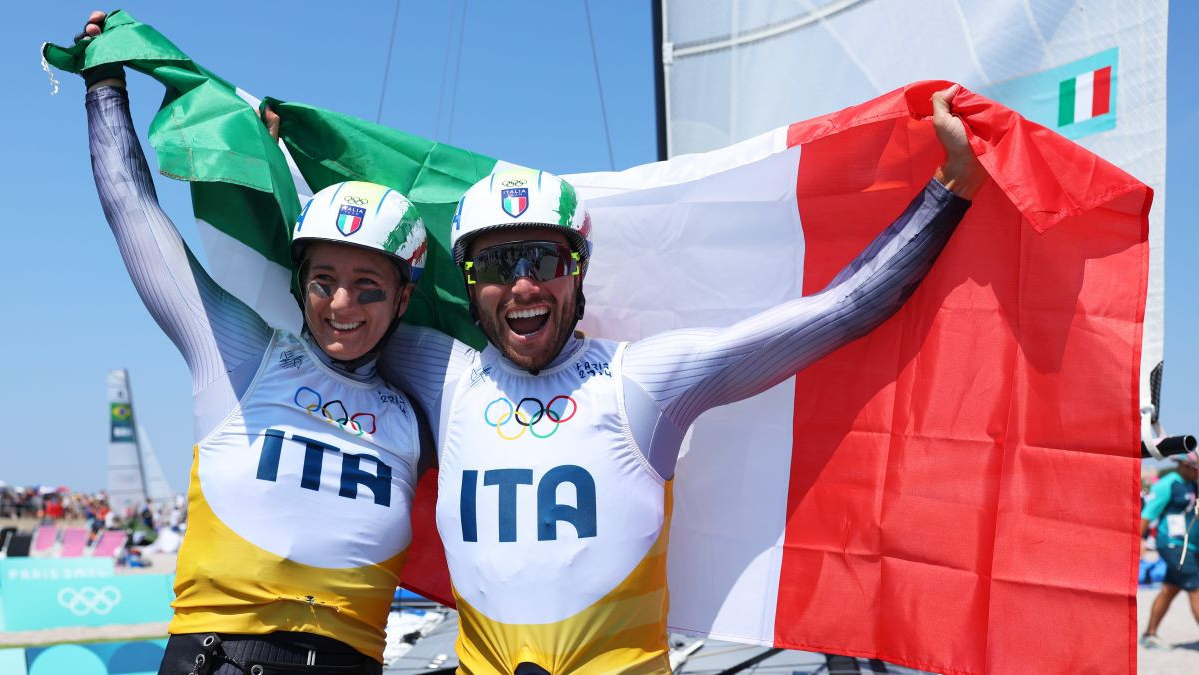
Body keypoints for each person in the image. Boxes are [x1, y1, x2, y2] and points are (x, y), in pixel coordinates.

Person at [375, 87, 984, 672]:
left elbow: (841, 309)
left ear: (578, 273)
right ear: (468, 283)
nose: (525, 284)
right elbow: (329, 309)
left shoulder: (642, 381)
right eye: (499, 263)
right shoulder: (440, 375)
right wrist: (281, 167)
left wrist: (953, 183)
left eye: (546, 259)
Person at [76, 11, 430, 674]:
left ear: (406, 295)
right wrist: (105, 87)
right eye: (323, 280)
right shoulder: (242, 350)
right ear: (300, 282)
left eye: (368, 286)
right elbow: (132, 207)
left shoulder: (426, 400)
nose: (342, 305)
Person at [1140, 456, 1199, 650]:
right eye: (1195, 468)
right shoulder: (1167, 484)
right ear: (1184, 465)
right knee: (1196, 589)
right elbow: (1147, 515)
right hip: (1173, 545)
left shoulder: (1191, 484)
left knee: (1170, 589)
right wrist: (1138, 541)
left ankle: (1149, 635)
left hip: (1189, 546)